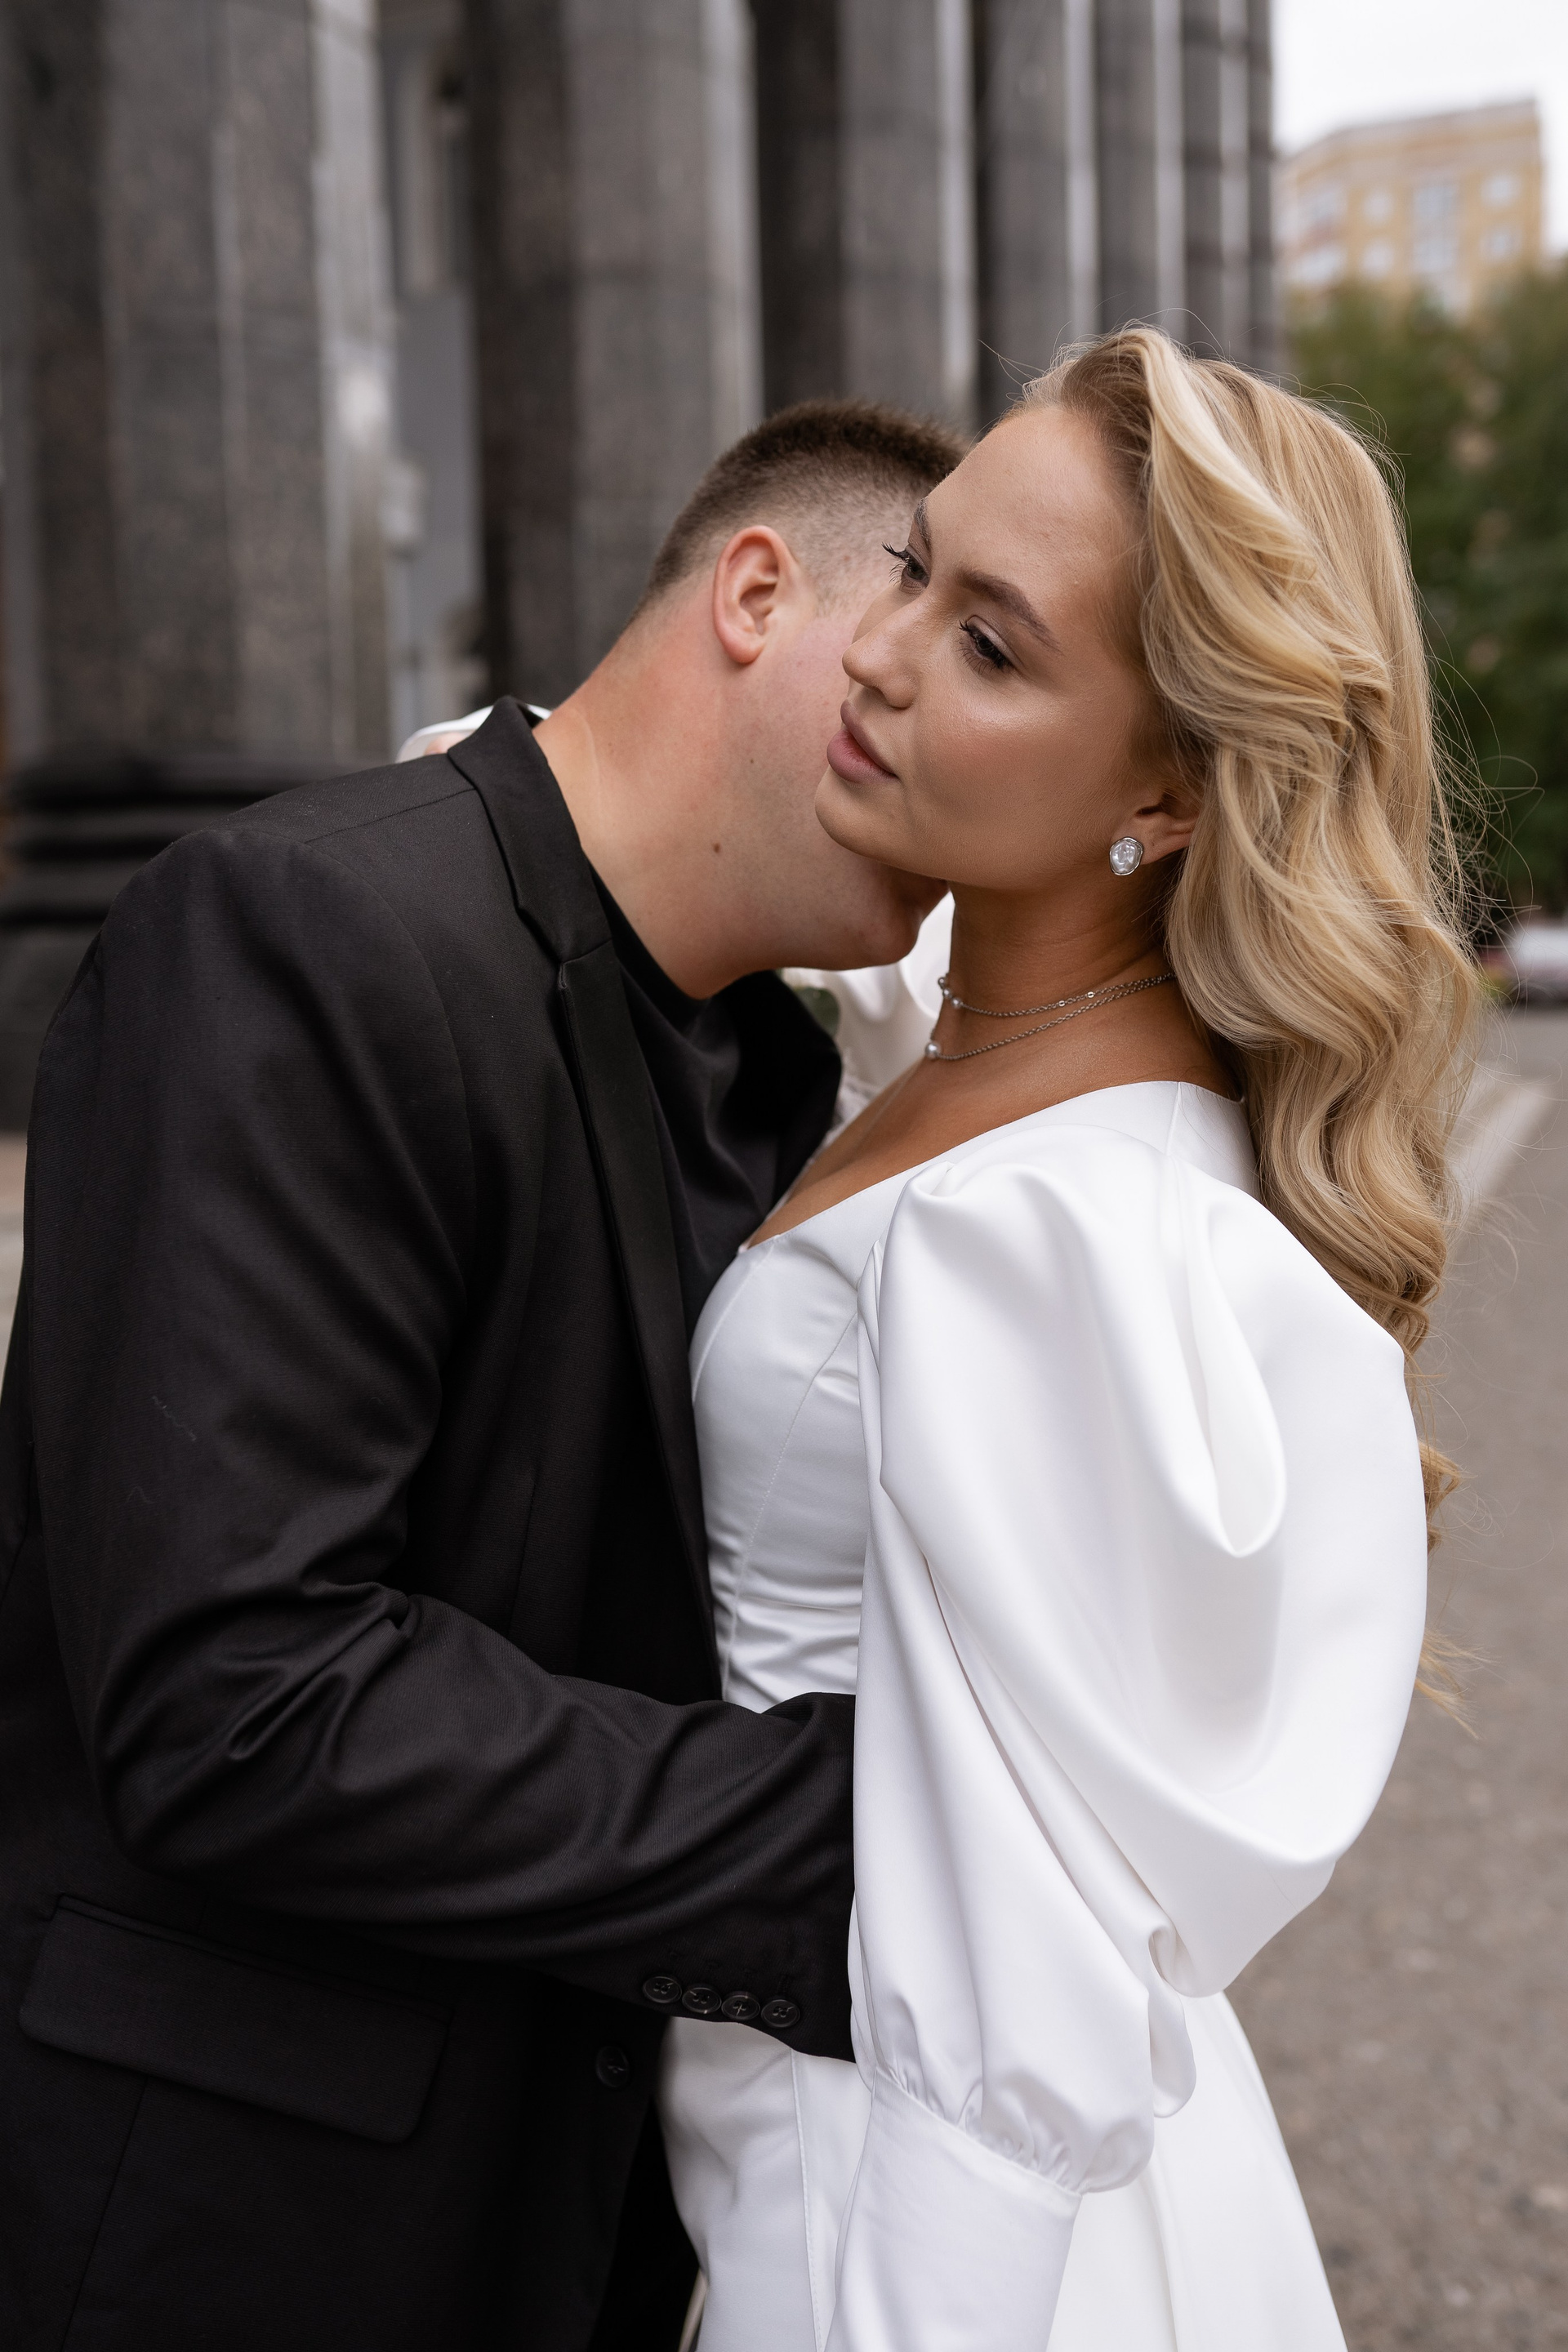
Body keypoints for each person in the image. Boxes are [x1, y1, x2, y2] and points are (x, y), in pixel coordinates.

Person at [0, 399, 964, 2352]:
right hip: (223, 2224)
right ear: (759, 595)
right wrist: (888, 1839)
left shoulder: (785, 1077)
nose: (968, 750)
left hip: (570, 2208)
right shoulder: (309, 927)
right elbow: (240, 1695)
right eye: (952, 642)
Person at [656, 329, 1477, 2351]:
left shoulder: (1051, 1237)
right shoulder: (1003, 1032)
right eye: (914, 564)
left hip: (892, 2207)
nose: (877, 655)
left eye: (991, 646)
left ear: (1170, 793)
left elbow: (1003, 2000)